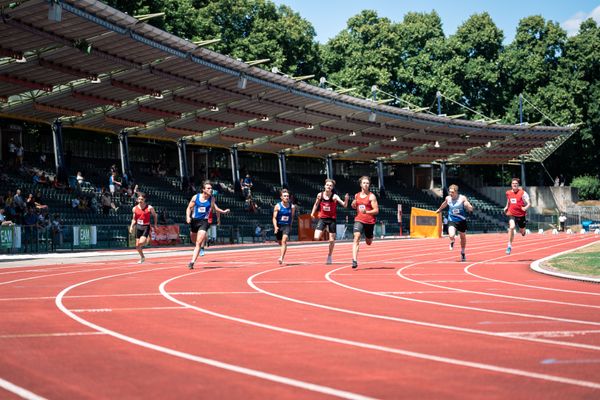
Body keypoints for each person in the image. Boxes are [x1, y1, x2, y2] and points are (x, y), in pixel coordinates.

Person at [186, 181, 230, 269]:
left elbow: (215, 208)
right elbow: (188, 208)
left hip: (204, 221)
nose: (210, 190)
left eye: (211, 188)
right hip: (194, 221)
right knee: (194, 240)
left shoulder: (212, 199)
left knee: (198, 242)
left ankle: (192, 262)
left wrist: (223, 212)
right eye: (208, 188)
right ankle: (199, 247)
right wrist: (187, 217)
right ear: (203, 190)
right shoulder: (196, 197)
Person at [310, 178, 349, 264]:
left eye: (330, 185)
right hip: (323, 219)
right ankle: (325, 229)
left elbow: (344, 205)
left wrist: (346, 199)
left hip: (332, 219)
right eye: (327, 185)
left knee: (331, 240)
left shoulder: (334, 196)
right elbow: (316, 204)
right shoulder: (320, 195)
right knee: (316, 237)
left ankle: (329, 255)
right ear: (324, 186)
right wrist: (312, 213)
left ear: (332, 187)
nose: (328, 186)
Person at [435, 184, 474, 261]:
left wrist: (469, 207)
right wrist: (439, 209)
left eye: (452, 192)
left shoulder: (462, 198)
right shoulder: (448, 198)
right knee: (451, 235)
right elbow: (445, 203)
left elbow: (467, 204)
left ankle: (463, 252)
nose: (450, 194)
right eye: (450, 192)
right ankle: (452, 241)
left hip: (461, 220)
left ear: (456, 192)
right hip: (452, 219)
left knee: (463, 237)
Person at [351, 176, 379, 269]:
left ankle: (369, 236)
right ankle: (354, 260)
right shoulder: (356, 195)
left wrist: (366, 212)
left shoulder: (372, 196)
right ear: (360, 184)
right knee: (357, 237)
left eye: (367, 183)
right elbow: (356, 207)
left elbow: (376, 210)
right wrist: (353, 205)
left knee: (369, 242)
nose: (366, 184)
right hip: (359, 220)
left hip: (369, 222)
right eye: (364, 183)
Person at [503, 178, 530, 255]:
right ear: (511, 185)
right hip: (511, 213)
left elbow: (529, 203)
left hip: (521, 214)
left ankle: (523, 231)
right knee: (512, 227)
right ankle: (509, 246)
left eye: (516, 183)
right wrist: (506, 207)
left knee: (522, 231)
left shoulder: (523, 193)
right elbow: (508, 201)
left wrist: (525, 208)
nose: (514, 184)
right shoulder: (508, 193)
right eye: (513, 183)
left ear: (518, 185)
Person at [128, 192, 157, 264]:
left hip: (146, 227)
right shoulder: (134, 208)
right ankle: (142, 257)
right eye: (139, 199)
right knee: (137, 246)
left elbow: (155, 215)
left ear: (144, 200)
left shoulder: (149, 208)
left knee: (141, 242)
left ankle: (147, 238)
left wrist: (155, 224)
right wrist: (131, 226)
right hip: (138, 227)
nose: (140, 200)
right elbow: (134, 219)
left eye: (142, 199)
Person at [273, 188, 296, 264]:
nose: (286, 197)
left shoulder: (292, 207)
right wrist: (276, 227)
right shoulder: (278, 206)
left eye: (287, 196)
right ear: (281, 197)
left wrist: (291, 225)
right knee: (280, 242)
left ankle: (281, 258)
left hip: (287, 225)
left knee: (284, 241)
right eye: (285, 196)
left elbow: (292, 217)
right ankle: (282, 247)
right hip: (279, 225)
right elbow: (274, 218)